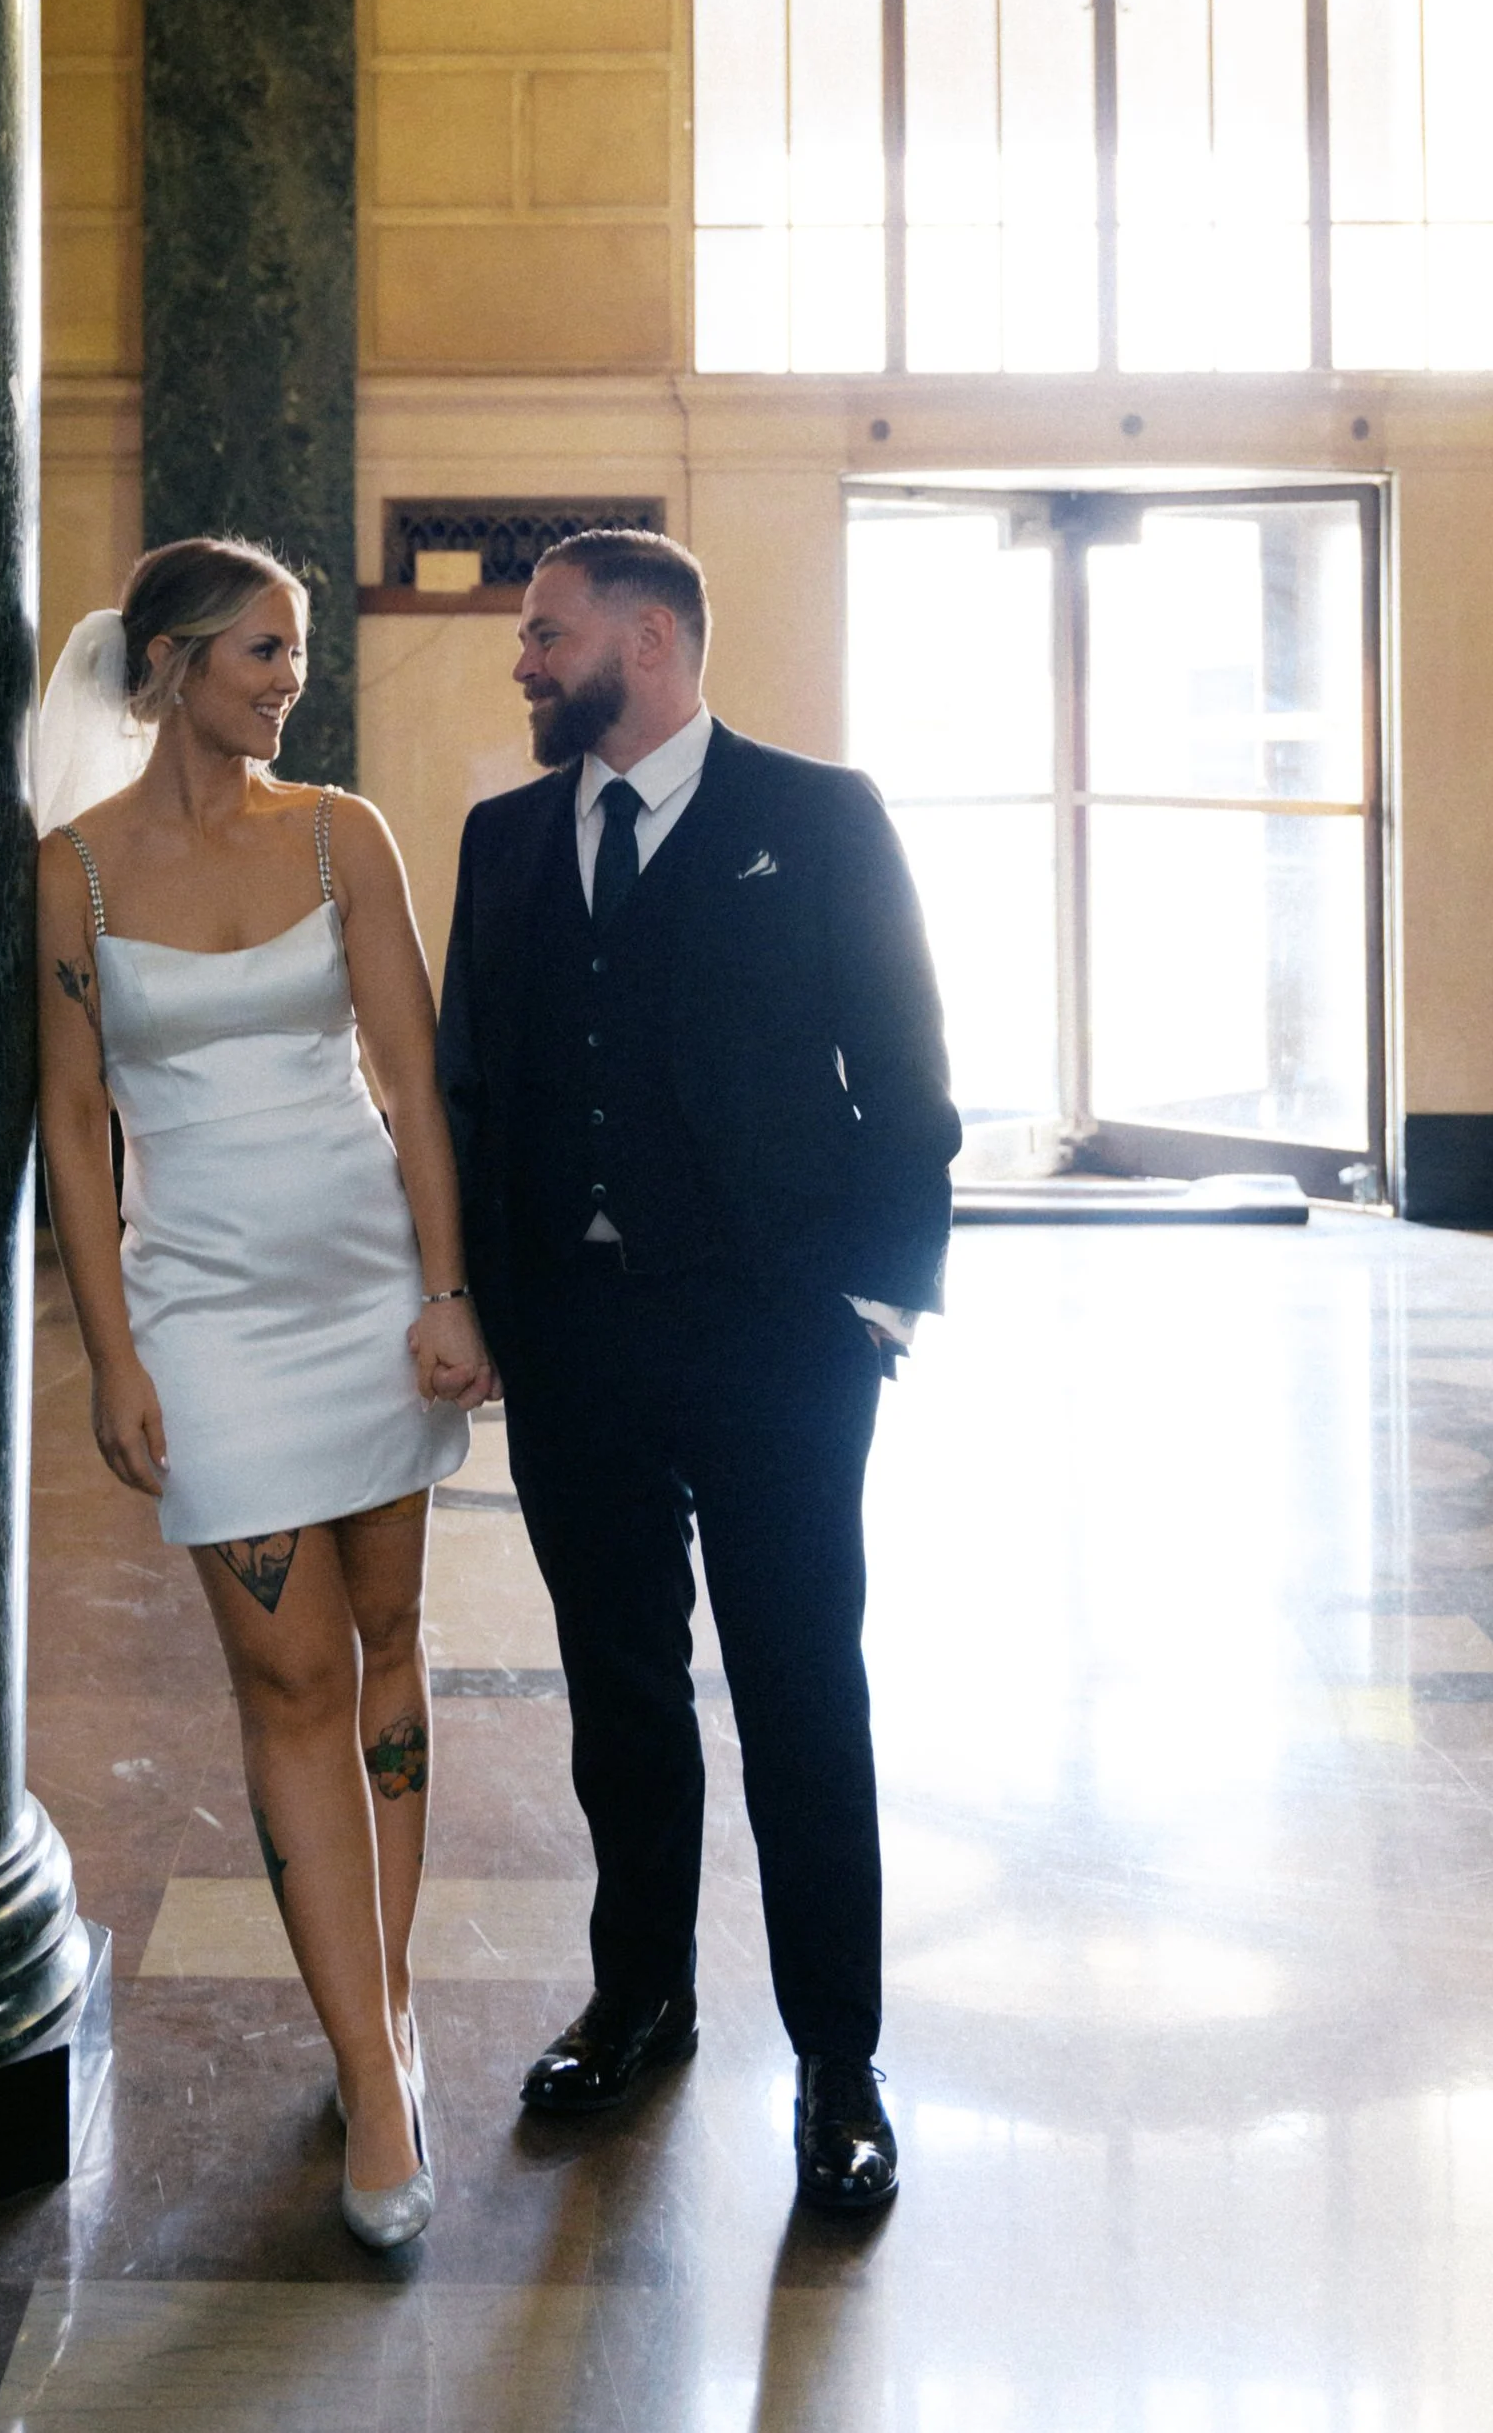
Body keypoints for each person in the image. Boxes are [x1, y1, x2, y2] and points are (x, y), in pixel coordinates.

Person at [436, 527, 959, 2214]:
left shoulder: (817, 818)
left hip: (776, 1345)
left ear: (647, 642)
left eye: (548, 633)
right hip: (577, 1352)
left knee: (805, 1700)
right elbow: (472, 1092)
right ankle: (642, 1997)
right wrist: (483, 1299)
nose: (525, 660)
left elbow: (906, 1071)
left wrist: (875, 1306)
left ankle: (838, 2062)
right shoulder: (503, 840)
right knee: (621, 1699)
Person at [35, 535, 498, 2253]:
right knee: (288, 1671)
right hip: (206, 1318)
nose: (287, 677)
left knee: (386, 1637)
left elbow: (411, 1072)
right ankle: (373, 2081)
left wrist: (446, 1289)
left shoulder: (339, 835)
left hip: (365, 1290)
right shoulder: (74, 875)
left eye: (294, 649)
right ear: (164, 664)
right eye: (256, 649)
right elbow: (75, 1130)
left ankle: (381, 2009)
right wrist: (113, 1349)